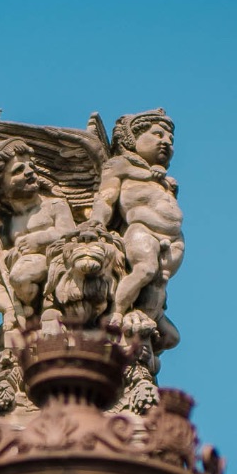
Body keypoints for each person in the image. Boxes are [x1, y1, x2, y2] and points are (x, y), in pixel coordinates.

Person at [0, 138, 76, 331]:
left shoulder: (53, 205)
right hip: (14, 268)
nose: (30, 172)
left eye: (30, 166)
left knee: (21, 275)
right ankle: (10, 307)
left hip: (46, 263)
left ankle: (39, 308)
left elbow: (70, 234)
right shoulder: (6, 221)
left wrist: (39, 239)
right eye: (18, 171)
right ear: (0, 185)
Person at [91, 110, 183, 326]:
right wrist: (96, 222)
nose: (166, 142)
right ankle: (117, 313)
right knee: (145, 270)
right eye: (158, 135)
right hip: (142, 230)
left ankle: (144, 320)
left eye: (170, 139)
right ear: (133, 139)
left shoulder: (164, 179)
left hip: (174, 238)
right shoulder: (121, 166)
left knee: (159, 280)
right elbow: (106, 198)